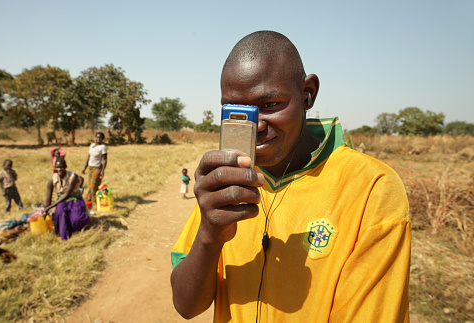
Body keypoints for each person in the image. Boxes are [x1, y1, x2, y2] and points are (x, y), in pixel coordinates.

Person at [170, 31, 411, 322]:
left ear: (307, 93)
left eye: (270, 105)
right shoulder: (229, 181)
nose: (254, 126)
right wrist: (210, 235)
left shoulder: (371, 188)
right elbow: (187, 306)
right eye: (236, 110)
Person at [44, 158, 91, 240]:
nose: (59, 169)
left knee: (77, 219)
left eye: (61, 167)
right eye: (57, 167)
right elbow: (48, 199)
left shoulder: (73, 176)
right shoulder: (52, 180)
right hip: (62, 200)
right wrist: (45, 211)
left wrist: (49, 207)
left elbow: (67, 194)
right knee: (59, 212)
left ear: (65, 167)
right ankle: (64, 234)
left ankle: (80, 226)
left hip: (75, 199)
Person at [82, 132, 108, 209]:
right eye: (97, 137)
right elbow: (88, 157)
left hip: (97, 168)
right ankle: (93, 199)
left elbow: (105, 160)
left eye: (100, 138)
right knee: (92, 185)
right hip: (91, 167)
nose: (98, 139)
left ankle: (92, 200)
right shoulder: (92, 145)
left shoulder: (103, 147)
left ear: (102, 139)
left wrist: (102, 171)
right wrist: (85, 167)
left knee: (93, 184)